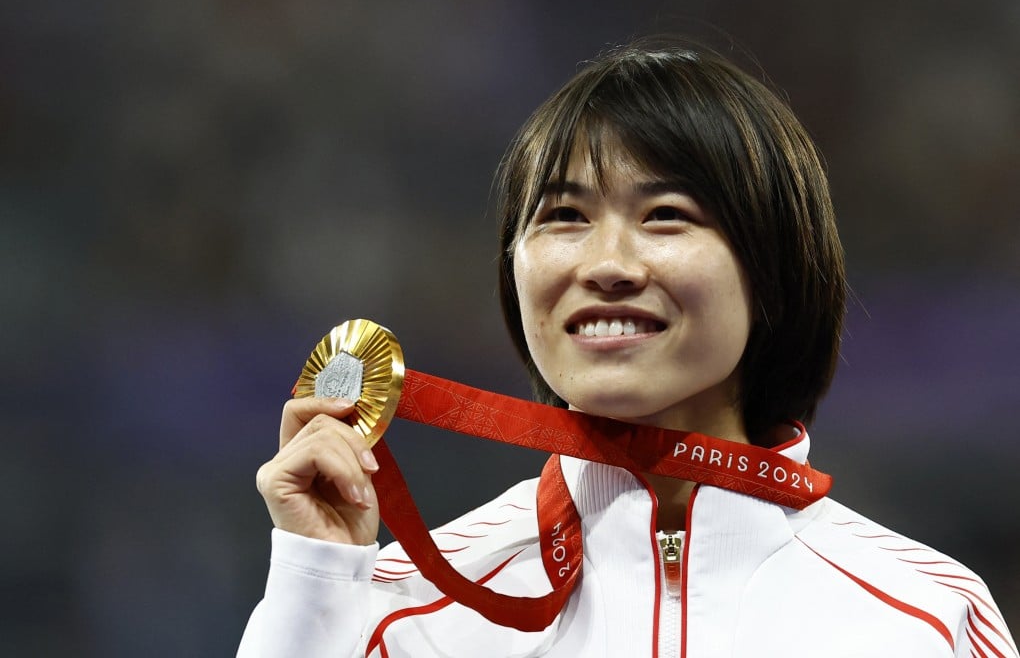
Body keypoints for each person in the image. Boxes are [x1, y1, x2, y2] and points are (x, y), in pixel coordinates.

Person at [238, 39, 1017, 657]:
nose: (606, 265)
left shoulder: (928, 622)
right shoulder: (408, 610)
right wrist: (314, 577)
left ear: (773, 269)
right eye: (564, 217)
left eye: (666, 215)